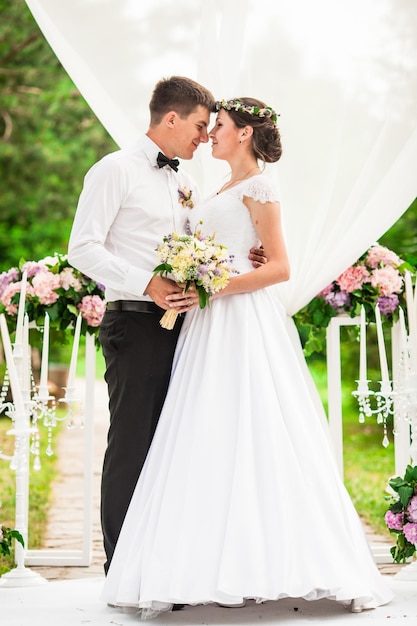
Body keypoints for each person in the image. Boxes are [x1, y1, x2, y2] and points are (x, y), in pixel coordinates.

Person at [102, 96, 394, 618]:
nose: (210, 133)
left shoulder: (261, 185)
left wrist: (215, 285)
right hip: (208, 321)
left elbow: (280, 267)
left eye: (219, 126)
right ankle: (200, 564)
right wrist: (207, 276)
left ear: (242, 134)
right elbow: (235, 248)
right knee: (204, 430)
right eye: (208, 125)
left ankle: (278, 561)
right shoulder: (221, 187)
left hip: (236, 318)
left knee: (255, 425)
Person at [68, 77, 265, 575]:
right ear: (171, 119)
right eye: (200, 127)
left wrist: (245, 256)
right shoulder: (113, 170)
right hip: (133, 325)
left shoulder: (184, 181)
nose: (205, 138)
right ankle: (122, 570)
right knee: (133, 444)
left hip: (187, 329)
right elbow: (83, 248)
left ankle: (163, 563)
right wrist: (144, 283)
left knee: (174, 446)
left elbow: (199, 247)